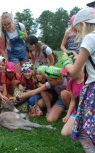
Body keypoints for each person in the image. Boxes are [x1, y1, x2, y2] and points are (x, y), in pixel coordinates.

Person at [63, 7, 95, 152]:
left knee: (85, 132)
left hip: (93, 88)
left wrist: (66, 63)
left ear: (82, 24)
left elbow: (75, 72)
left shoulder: (90, 38)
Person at [61, 70, 84, 136]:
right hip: (77, 110)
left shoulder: (89, 79)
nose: (67, 75)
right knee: (65, 133)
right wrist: (68, 114)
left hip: (90, 110)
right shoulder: (71, 82)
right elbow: (73, 100)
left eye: (68, 73)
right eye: (66, 73)